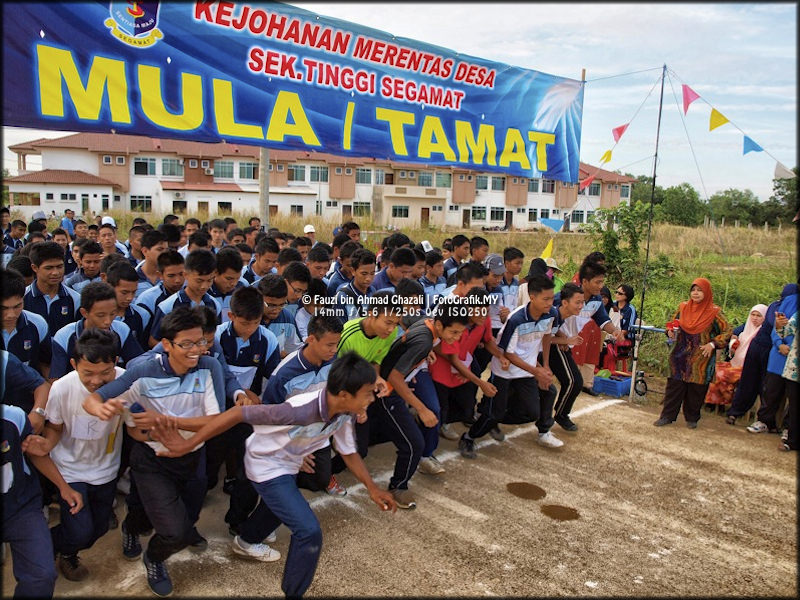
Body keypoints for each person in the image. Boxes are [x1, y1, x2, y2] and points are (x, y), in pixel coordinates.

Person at [152, 352, 396, 598]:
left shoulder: (345, 411)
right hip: (266, 464)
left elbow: (348, 451)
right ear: (344, 394)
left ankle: (246, 541)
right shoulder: (298, 410)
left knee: (282, 506)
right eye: (367, 394)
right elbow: (237, 414)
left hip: (289, 461)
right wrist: (187, 440)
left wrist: (372, 489)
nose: (371, 399)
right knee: (308, 530)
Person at [82, 307, 225, 597]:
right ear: (167, 344)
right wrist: (101, 408)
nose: (196, 350)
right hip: (152, 460)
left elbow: (216, 420)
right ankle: (153, 556)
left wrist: (166, 421)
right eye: (187, 344)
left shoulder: (210, 368)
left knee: (188, 518)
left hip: (192, 456)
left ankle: (152, 531)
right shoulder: (143, 371)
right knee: (173, 531)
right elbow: (97, 397)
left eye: (201, 342)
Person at [22, 329, 125, 582]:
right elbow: (55, 428)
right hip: (70, 470)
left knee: (100, 527)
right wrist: (47, 445)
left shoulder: (126, 382)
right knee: (80, 531)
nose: (96, 381)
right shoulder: (61, 389)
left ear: (116, 362)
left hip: (106, 469)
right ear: (73, 364)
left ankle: (55, 546)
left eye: (105, 372)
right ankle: (58, 550)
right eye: (87, 373)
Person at [459, 274, 560, 459]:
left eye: (552, 298)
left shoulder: (552, 313)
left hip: (527, 370)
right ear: (532, 297)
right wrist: (536, 371)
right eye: (545, 299)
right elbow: (509, 353)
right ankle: (469, 437)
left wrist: (544, 365)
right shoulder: (516, 319)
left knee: (531, 413)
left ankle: (492, 417)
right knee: (494, 412)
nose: (549, 303)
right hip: (505, 370)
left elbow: (546, 336)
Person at [379, 302, 469, 495]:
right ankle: (398, 487)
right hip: (387, 391)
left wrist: (424, 353)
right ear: (438, 325)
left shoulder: (427, 324)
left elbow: (409, 335)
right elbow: (395, 377)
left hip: (394, 385)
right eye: (453, 332)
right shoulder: (424, 341)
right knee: (413, 444)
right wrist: (421, 408)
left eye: (460, 333)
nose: (457, 337)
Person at [2, 400, 83, 599]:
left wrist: (63, 487)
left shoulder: (13, 417)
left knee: (41, 577)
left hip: (20, 507)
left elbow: (33, 450)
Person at [654, 278, 732, 428]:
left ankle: (692, 418)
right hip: (679, 354)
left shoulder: (715, 312)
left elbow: (728, 331)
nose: (695, 293)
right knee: (674, 386)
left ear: (707, 292)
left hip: (701, 357)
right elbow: (673, 324)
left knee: (696, 389)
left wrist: (713, 344)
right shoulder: (683, 308)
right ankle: (667, 416)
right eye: (693, 290)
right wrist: (669, 332)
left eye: (700, 290)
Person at [431, 287, 507, 441]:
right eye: (479, 311)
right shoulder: (455, 321)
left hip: (463, 370)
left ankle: (447, 421)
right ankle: (437, 428)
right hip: (442, 369)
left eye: (486, 311)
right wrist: (480, 383)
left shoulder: (484, 320)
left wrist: (500, 356)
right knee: (440, 407)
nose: (483, 316)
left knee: (466, 404)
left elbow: (487, 341)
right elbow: (452, 358)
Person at [727, 284, 797, 424]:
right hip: (762, 348)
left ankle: (764, 421)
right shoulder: (776, 307)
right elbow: (771, 324)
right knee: (750, 382)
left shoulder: (783, 308)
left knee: (765, 386)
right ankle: (736, 412)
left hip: (770, 351)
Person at [49, 282, 144, 379]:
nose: (108, 321)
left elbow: (138, 363)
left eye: (112, 314)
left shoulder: (121, 329)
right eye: (100, 315)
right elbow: (56, 378)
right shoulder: (64, 336)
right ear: (84, 313)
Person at [747, 284, 797, 434]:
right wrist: (780, 344)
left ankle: (789, 428)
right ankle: (765, 421)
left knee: (794, 396)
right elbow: (776, 328)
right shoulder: (786, 304)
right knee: (771, 390)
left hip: (795, 360)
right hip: (778, 356)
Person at [148, 249, 221, 347]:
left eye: (209, 280)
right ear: (185, 274)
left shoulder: (214, 304)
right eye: (199, 281)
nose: (204, 286)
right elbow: (153, 341)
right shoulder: (168, 306)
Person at [704, 305, 767, 408]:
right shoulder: (745, 329)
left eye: (759, 316)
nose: (755, 318)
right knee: (713, 369)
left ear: (765, 317)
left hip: (749, 368)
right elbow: (731, 336)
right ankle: (714, 403)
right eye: (753, 315)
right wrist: (733, 344)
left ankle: (721, 402)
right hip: (734, 363)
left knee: (722, 374)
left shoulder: (764, 334)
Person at [549, 283, 588, 432]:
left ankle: (560, 414)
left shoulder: (561, 316)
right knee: (572, 381)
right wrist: (566, 340)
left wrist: (563, 338)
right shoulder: (553, 314)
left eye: (582, 302)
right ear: (565, 302)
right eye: (577, 302)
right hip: (540, 351)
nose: (580, 306)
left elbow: (550, 334)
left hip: (551, 348)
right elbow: (544, 339)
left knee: (574, 381)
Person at [24, 241, 82, 338]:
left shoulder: (75, 299)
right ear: (35, 268)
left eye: (59, 267)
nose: (55, 272)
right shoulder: (23, 298)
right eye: (49, 268)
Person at [1, 268, 51, 376]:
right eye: (3, 308)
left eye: (17, 306)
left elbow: (46, 365)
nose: (11, 315)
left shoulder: (38, 324)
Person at [133, 249, 186, 319]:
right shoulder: (148, 299)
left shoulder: (192, 295)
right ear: (160, 275)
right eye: (171, 276)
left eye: (181, 274)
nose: (177, 280)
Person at [333, 248, 377, 323]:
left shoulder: (373, 291)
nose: (368, 278)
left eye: (372, 273)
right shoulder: (342, 297)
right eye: (364, 274)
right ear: (353, 271)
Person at [774, 310, 797, 451]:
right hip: (795, 369)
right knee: (795, 406)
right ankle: (792, 441)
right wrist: (779, 324)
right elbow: (784, 332)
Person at [208, 247, 247, 324]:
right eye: (229, 279)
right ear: (216, 272)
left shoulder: (241, 290)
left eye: (237, 278)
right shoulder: (205, 293)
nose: (234, 283)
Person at [134, 230, 168, 298]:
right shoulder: (134, 278)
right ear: (145, 251)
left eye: (166, 250)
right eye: (160, 249)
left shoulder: (170, 277)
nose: (165, 254)